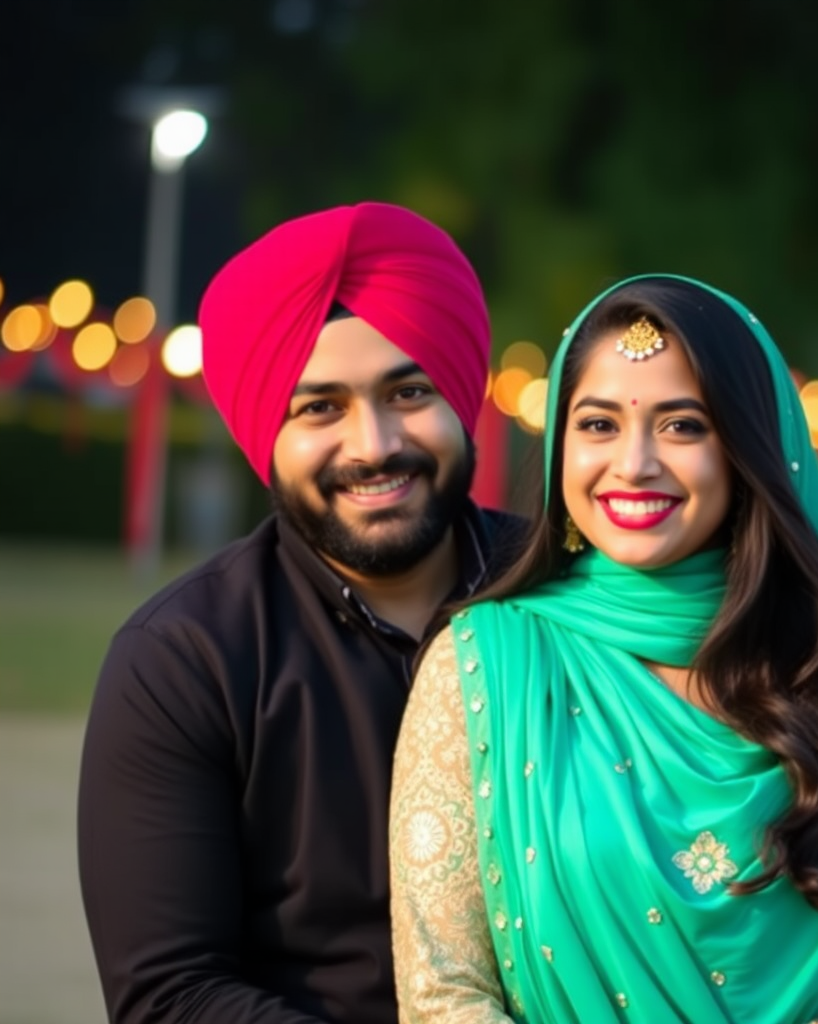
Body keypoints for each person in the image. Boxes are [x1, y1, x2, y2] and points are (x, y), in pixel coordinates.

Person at [389, 274, 818, 1024]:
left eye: (683, 425)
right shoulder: (484, 665)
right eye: (597, 425)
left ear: (751, 446)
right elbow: (444, 993)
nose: (634, 464)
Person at [77, 201, 525, 1024]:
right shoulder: (185, 659)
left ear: (462, 394)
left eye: (409, 390)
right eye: (320, 408)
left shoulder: (572, 600)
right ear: (264, 432)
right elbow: (169, 996)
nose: (374, 444)